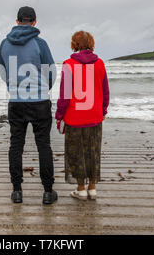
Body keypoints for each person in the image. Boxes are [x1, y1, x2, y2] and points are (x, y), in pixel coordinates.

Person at [0, 6, 58, 205]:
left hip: (16, 102)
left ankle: (17, 191)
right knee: (44, 146)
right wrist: (44, 89)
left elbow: (3, 72)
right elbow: (51, 71)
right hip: (40, 101)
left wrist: (13, 88)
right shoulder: (40, 43)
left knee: (16, 146)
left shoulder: (4, 44)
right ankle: (48, 192)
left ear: (17, 22)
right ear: (34, 22)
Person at [55, 31, 110, 200]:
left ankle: (81, 189)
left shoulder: (68, 64)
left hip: (74, 117)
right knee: (93, 151)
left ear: (74, 44)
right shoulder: (100, 64)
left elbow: (64, 95)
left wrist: (59, 115)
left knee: (76, 153)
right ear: (91, 44)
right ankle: (92, 188)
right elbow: (105, 91)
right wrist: (103, 109)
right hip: (94, 116)